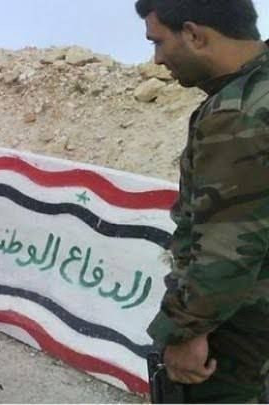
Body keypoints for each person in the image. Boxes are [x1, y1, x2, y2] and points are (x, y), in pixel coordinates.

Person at [135, 0, 269, 402]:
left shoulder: (238, 111)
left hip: (242, 336)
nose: (157, 60)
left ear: (194, 34)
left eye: (158, 42)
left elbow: (226, 248)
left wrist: (185, 332)